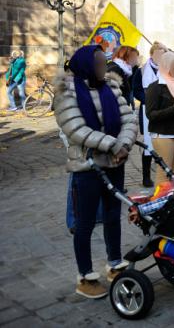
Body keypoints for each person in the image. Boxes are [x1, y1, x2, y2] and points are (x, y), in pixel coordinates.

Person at [54, 45, 138, 299]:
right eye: (99, 63)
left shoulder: (112, 88)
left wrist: (123, 145)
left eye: (105, 63)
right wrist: (112, 144)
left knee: (113, 215)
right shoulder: (66, 94)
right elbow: (75, 129)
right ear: (86, 66)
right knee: (85, 222)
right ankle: (85, 275)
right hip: (87, 167)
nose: (104, 67)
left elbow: (129, 119)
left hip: (114, 163)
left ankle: (114, 262)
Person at [145, 51, 174, 185]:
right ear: (166, 65)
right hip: (163, 133)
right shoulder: (155, 87)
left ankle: (173, 202)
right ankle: (161, 202)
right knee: (164, 173)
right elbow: (150, 115)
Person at [132, 41, 166, 187]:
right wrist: (149, 100)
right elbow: (136, 89)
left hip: (165, 110)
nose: (160, 56)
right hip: (148, 111)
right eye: (158, 53)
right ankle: (146, 177)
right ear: (152, 55)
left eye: (163, 54)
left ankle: (164, 175)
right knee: (148, 143)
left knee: (164, 142)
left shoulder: (168, 68)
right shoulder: (141, 70)